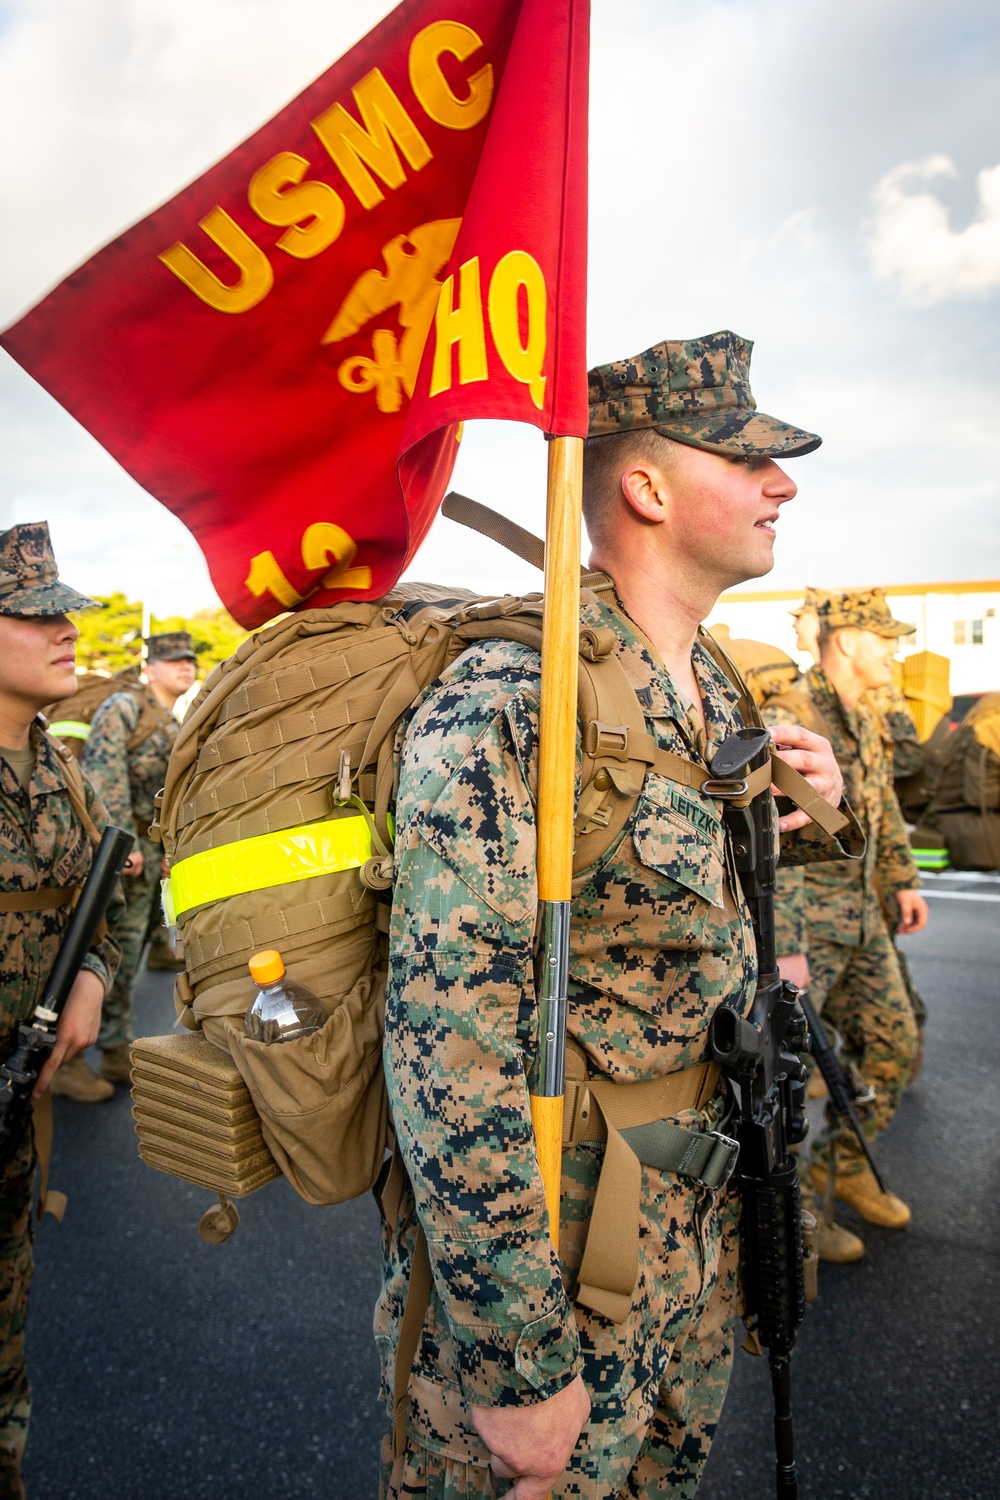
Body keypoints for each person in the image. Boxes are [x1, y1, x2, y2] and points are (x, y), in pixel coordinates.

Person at [378, 331, 861, 1500]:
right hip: (553, 1261)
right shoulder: (518, 696)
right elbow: (450, 1045)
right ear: (644, 487)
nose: (781, 484)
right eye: (746, 462)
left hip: (690, 1229)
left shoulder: (716, 688)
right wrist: (513, 1365)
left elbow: (731, 933)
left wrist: (818, 809)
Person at [0, 521, 123, 1499]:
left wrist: (90, 977)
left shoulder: (61, 770)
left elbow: (100, 904)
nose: (65, 630)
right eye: (36, 613)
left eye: (63, 610)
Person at [762, 589, 928, 1264]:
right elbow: (777, 837)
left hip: (862, 924)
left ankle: (846, 1169)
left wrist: (902, 880)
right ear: (851, 641)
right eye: (885, 639)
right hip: (812, 936)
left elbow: (880, 808)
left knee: (894, 1046)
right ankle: (793, 1221)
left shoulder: (863, 715)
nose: (895, 650)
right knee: (790, 1082)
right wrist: (790, 944)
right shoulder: (791, 715)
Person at [71, 632, 196, 1093]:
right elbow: (104, 777)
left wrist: (167, 851)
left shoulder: (170, 719)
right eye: (172, 660)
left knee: (132, 952)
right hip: (122, 857)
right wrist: (125, 845)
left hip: (148, 857)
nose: (185, 666)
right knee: (106, 955)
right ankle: (73, 1057)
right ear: (150, 668)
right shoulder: (125, 708)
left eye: (189, 660)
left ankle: (114, 1047)